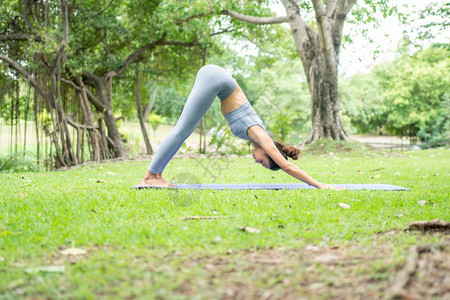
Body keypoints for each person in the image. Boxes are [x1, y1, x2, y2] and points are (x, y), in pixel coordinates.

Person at [140, 65, 343, 190]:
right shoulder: (259, 134)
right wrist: (320, 185)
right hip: (217, 79)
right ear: (269, 152)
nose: (257, 162)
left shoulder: (255, 136)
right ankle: (150, 176)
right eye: (264, 162)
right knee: (183, 129)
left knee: (185, 131)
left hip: (216, 79)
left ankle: (156, 176)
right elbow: (287, 166)